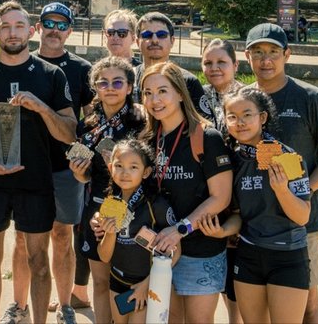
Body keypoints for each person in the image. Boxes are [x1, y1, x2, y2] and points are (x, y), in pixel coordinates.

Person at [0, 0, 77, 324]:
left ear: (31, 31)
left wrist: (42, 108)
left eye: (19, 25)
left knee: (38, 260)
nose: (12, 32)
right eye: (5, 26)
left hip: (35, 182)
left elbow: (69, 133)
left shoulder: (52, 75)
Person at [244, 23, 318, 324]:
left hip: (302, 222)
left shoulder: (309, 97)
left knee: (309, 304)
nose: (266, 60)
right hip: (254, 225)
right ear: (247, 57)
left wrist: (302, 191)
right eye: (258, 52)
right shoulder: (243, 99)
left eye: (273, 52)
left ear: (287, 54)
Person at [4, 2, 92, 324]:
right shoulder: (19, 62)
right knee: (23, 237)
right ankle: (19, 305)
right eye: (48, 23)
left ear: (69, 30)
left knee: (61, 235)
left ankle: (65, 303)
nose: (54, 30)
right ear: (38, 28)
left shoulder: (82, 70)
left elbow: (94, 118)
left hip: (63, 167)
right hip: (25, 166)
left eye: (61, 24)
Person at [203, 87, 311, 324]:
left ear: (262, 118)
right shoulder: (232, 159)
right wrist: (222, 231)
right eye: (232, 116)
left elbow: (302, 216)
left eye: (247, 115)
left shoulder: (287, 157)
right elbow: (241, 216)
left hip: (287, 254)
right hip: (249, 253)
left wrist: (282, 190)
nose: (239, 122)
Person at [141, 62, 233, 324]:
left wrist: (180, 229)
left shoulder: (207, 137)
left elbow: (221, 197)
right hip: (159, 250)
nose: (155, 100)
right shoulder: (148, 139)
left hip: (199, 250)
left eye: (162, 91)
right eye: (148, 93)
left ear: (180, 93)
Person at [69, 56, 147, 324]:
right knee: (101, 284)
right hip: (98, 209)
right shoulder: (87, 125)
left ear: (129, 87)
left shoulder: (142, 123)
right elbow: (88, 176)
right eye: (103, 82)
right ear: (95, 88)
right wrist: (80, 174)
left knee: (133, 282)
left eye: (118, 82)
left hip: (137, 209)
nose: (110, 87)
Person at [96, 139, 175, 324]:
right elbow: (104, 257)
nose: (125, 173)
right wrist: (110, 232)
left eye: (133, 167)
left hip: (146, 284)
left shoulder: (156, 205)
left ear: (146, 172)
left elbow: (175, 251)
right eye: (119, 166)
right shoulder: (110, 203)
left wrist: (147, 285)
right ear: (110, 167)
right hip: (117, 280)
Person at [198, 39, 244, 324]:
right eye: (208, 63)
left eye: (221, 62)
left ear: (235, 65)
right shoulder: (198, 97)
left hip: (240, 190)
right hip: (208, 190)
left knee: (236, 283)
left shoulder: (248, 97)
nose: (214, 69)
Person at [133, 12, 206, 112]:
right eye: (147, 35)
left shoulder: (188, 82)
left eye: (161, 35)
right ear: (137, 42)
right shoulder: (127, 79)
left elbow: (204, 123)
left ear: (172, 41)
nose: (154, 40)